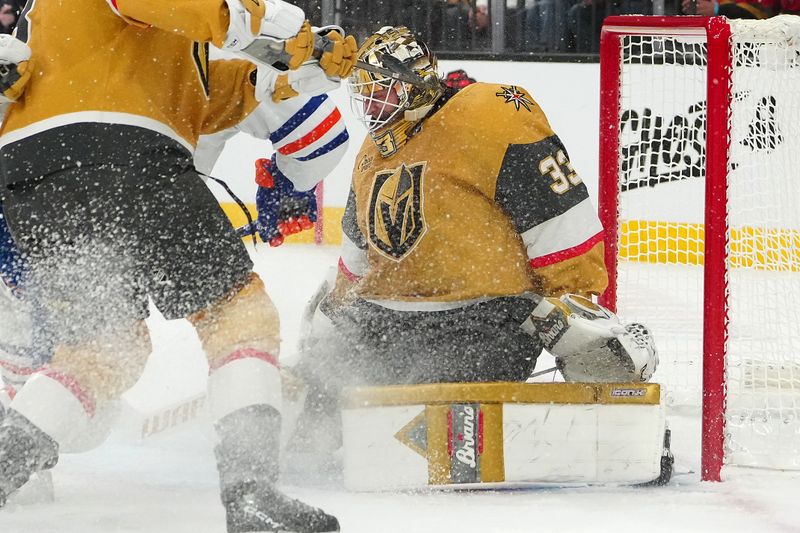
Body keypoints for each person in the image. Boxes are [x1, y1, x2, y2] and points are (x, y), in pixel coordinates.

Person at [0, 1, 355, 531]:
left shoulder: (121, 40)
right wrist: (274, 23)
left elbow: (208, 91)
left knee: (103, 352)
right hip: (123, 152)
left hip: (35, 180)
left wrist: (290, 76)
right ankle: (251, 491)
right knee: (238, 315)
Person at [286, 26, 658, 463]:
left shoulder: (489, 115)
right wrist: (335, 321)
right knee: (315, 394)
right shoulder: (373, 151)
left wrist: (571, 304)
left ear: (415, 83)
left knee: (422, 408)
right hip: (385, 318)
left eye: (380, 92)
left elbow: (559, 217)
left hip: (483, 317)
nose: (370, 106)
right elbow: (356, 260)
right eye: (364, 96)